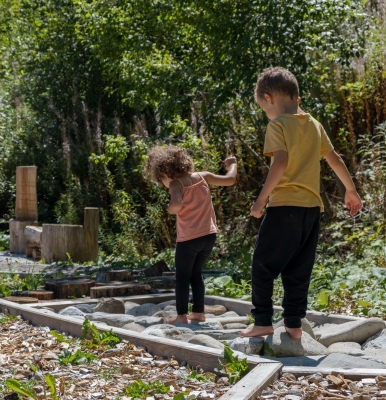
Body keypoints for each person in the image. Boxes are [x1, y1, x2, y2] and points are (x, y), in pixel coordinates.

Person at [241, 67, 362, 339]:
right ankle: (294, 324)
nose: (265, 113)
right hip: (311, 209)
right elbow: (335, 159)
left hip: (284, 206)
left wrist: (261, 199)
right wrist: (350, 190)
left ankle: (262, 321)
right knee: (298, 268)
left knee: (263, 264)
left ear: (268, 98)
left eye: (263, 107)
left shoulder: (278, 125)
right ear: (296, 97)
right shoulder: (314, 125)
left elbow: (280, 162)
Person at [145, 146, 238, 324]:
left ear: (165, 173)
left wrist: (170, 207)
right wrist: (232, 164)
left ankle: (181, 316)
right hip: (209, 236)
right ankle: (198, 312)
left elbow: (177, 206)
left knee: (182, 276)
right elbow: (230, 179)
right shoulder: (204, 176)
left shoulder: (175, 184)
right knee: (196, 273)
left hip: (189, 239)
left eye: (161, 179)